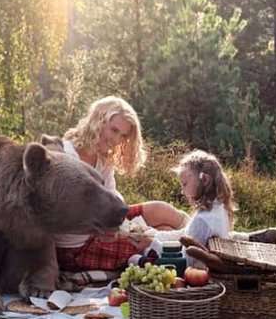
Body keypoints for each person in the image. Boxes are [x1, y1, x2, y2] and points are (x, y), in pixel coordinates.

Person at [54, 96, 186, 272]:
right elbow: (64, 214)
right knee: (154, 244)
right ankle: (191, 247)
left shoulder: (103, 158)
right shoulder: (66, 155)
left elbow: (112, 195)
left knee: (160, 210)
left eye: (122, 135)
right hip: (76, 246)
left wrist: (125, 223)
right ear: (97, 122)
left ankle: (196, 233)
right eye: (114, 130)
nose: (117, 140)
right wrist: (115, 227)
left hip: (105, 226)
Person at [172, 149, 276, 266]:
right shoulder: (219, 207)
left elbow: (186, 261)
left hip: (199, 273)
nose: (182, 191)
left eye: (185, 184)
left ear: (205, 180)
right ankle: (250, 238)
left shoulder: (201, 221)